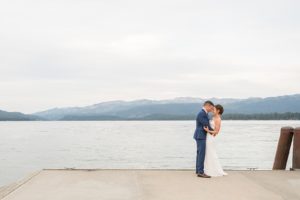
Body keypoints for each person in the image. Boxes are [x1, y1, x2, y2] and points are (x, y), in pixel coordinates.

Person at [203, 104, 227, 177]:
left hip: (211, 138)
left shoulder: (218, 119)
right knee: (208, 152)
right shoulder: (213, 117)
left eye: (214, 109)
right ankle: (208, 169)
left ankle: (214, 170)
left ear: (218, 111)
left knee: (211, 152)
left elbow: (216, 131)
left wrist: (207, 130)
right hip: (208, 136)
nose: (213, 111)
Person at [193, 100, 215, 178]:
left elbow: (207, 124)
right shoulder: (202, 113)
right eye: (211, 108)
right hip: (200, 136)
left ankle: (198, 170)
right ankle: (201, 172)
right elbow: (206, 124)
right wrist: (214, 132)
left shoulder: (203, 113)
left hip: (200, 135)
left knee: (199, 154)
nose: (211, 109)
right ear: (207, 106)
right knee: (201, 154)